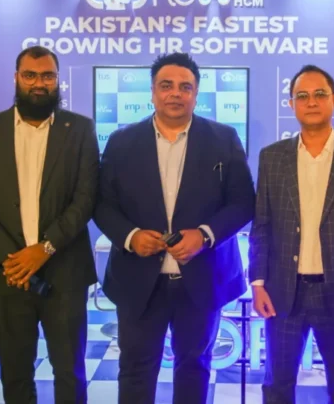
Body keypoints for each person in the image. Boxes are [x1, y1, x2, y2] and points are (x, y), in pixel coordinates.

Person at [94, 52, 255, 404]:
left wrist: (205, 235)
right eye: (166, 85)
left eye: (185, 87)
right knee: (135, 369)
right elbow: (102, 203)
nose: (175, 93)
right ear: (153, 92)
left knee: (195, 367)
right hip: (138, 281)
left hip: (202, 278)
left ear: (196, 94)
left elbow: (244, 202)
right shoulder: (121, 142)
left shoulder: (224, 138)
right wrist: (131, 237)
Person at [0, 46, 98, 404]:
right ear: (16, 78)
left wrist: (44, 248)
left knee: (69, 371)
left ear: (57, 80)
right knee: (15, 374)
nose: (39, 84)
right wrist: (14, 259)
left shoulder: (79, 129)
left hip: (65, 273)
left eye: (47, 76)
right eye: (30, 75)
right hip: (7, 275)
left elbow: (85, 198)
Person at [249, 65, 334, 404]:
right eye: (303, 96)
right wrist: (258, 283)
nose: (311, 102)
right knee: (277, 386)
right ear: (291, 103)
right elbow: (261, 225)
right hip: (284, 293)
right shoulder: (272, 158)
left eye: (320, 94)